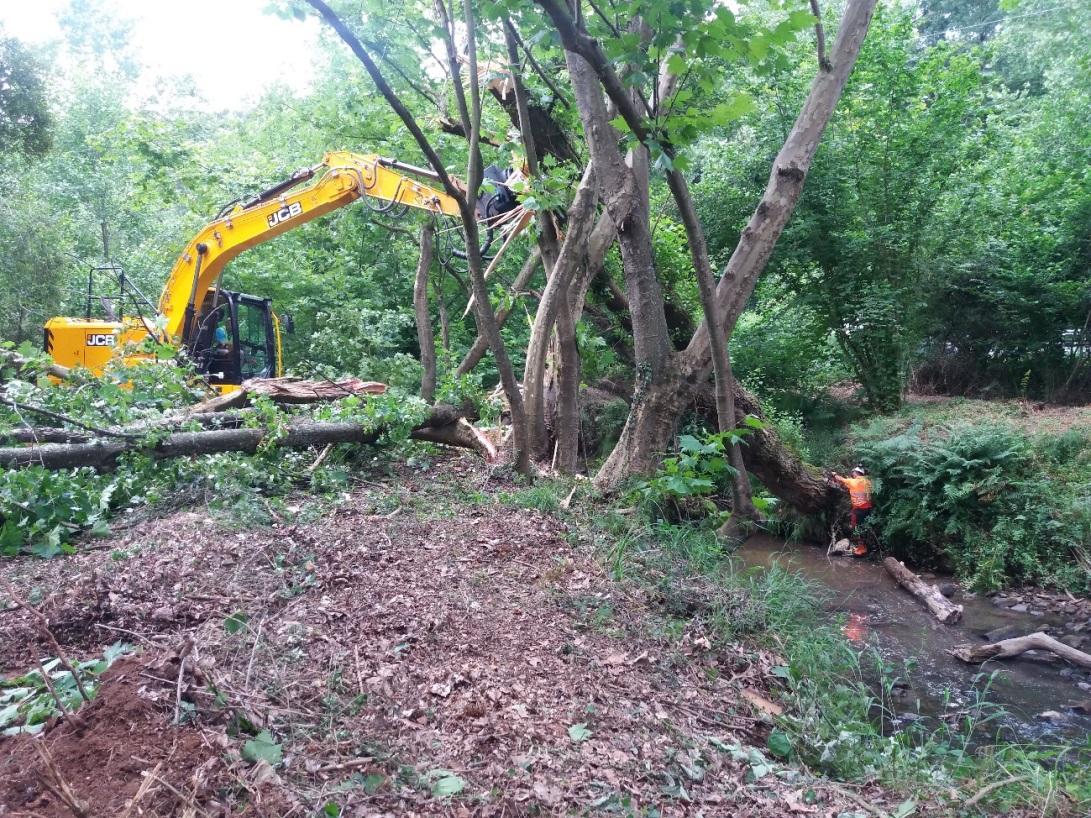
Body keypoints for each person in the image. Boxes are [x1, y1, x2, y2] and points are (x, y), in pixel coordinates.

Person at [832, 466, 873, 556]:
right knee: (862, 527)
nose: (852, 473)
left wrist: (834, 475)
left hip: (860, 509)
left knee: (858, 528)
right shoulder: (867, 481)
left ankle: (862, 549)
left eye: (853, 472)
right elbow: (849, 484)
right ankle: (863, 546)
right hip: (867, 508)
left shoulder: (853, 481)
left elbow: (841, 479)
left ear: (856, 473)